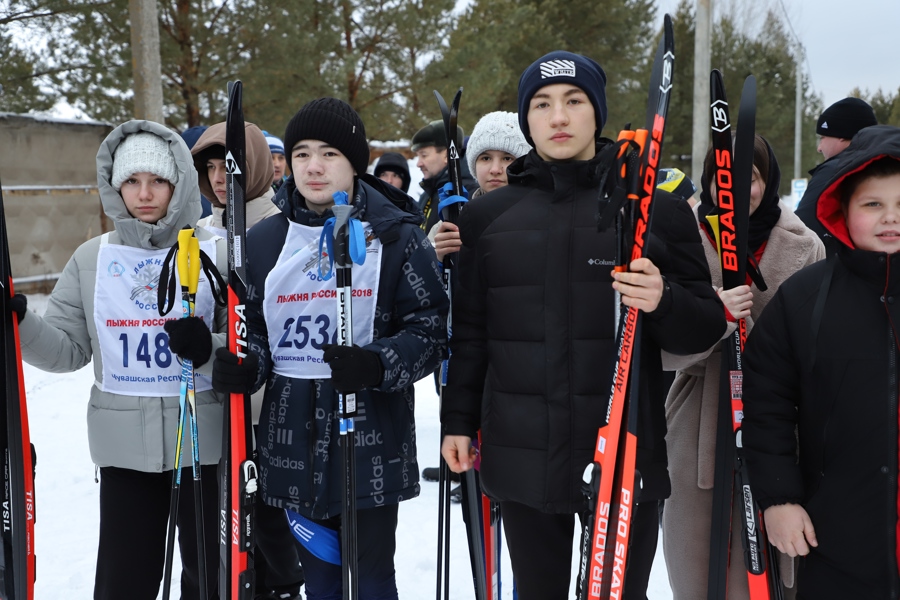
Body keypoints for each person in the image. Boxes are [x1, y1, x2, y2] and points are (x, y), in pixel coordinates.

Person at [439, 50, 726, 599]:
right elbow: (471, 335)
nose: (559, 117)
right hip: (523, 452)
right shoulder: (488, 218)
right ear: (528, 120)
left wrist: (664, 299)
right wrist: (457, 419)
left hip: (626, 450)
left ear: (598, 112)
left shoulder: (652, 210)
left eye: (574, 101)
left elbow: (703, 329)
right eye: (543, 105)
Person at [209, 97, 448, 599]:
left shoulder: (397, 234)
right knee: (318, 578)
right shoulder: (264, 241)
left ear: (354, 163)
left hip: (372, 440)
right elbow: (253, 331)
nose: (313, 167)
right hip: (292, 439)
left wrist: (377, 363)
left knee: (370, 578)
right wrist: (245, 366)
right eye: (301, 154)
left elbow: (431, 330)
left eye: (329, 154)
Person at [11, 120, 227, 599]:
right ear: (115, 186)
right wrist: (22, 324)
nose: (144, 193)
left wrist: (209, 349)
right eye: (131, 181)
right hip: (125, 454)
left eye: (157, 181)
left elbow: (247, 350)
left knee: (208, 580)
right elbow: (68, 350)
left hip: (203, 448)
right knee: (123, 582)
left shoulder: (216, 252)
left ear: (178, 184)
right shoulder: (92, 258)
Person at [660, 135, 824, 599]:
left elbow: (817, 346)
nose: (734, 189)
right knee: (700, 564)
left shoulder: (805, 244)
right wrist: (714, 317)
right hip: (700, 420)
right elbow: (660, 350)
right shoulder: (682, 240)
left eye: (748, 177)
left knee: (774, 567)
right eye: (721, 177)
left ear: (766, 180)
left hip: (782, 424)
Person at [742, 124, 900, 597]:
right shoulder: (805, 298)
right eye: (873, 204)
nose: (890, 217)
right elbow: (767, 404)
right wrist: (779, 499)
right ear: (842, 211)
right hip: (838, 537)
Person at [191, 122, 306, 600]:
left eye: (230, 167)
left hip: (269, 411)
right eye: (211, 168)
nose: (220, 178)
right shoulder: (197, 233)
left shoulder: (282, 228)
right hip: (216, 407)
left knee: (270, 533)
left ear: (256, 166)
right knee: (223, 538)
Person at [425, 110, 531, 263]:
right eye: (485, 158)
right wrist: (437, 258)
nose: (495, 169)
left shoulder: (542, 215)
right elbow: (419, 280)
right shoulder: (451, 223)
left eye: (507, 158)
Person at [794, 97, 877, 241]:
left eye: (823, 137)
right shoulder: (885, 168)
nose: (819, 148)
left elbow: (799, 231)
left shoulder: (833, 171)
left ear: (842, 136)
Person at [411, 118, 477, 233]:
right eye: (418, 156)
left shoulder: (470, 195)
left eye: (424, 155)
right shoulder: (428, 193)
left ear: (447, 155)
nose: (418, 163)